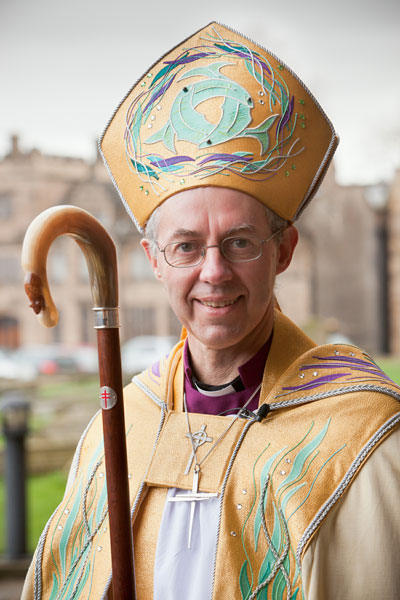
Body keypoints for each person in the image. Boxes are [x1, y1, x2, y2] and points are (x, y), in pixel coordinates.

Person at [23, 22, 400, 600]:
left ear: (284, 251)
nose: (214, 272)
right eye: (187, 247)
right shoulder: (122, 428)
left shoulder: (362, 440)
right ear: (153, 259)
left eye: (240, 242)